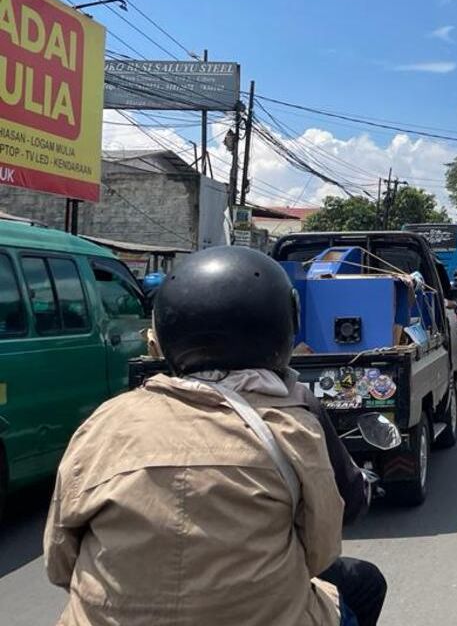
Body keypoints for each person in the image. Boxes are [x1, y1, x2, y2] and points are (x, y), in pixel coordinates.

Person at [44, 245, 386, 626]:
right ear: (283, 325)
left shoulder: (105, 422)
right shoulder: (290, 423)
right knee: (363, 583)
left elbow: (60, 562)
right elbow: (320, 552)